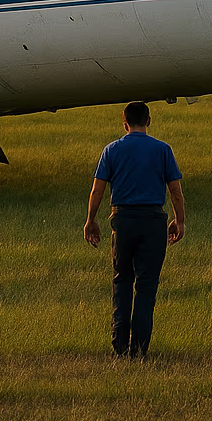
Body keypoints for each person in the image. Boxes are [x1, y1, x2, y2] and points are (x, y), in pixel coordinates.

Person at [83, 101, 186, 359]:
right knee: (147, 287)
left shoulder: (112, 150)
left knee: (122, 282)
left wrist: (91, 220)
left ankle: (119, 346)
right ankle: (139, 349)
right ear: (149, 121)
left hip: (123, 221)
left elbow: (98, 189)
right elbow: (175, 190)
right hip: (153, 221)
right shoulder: (163, 150)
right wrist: (179, 220)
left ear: (124, 123)